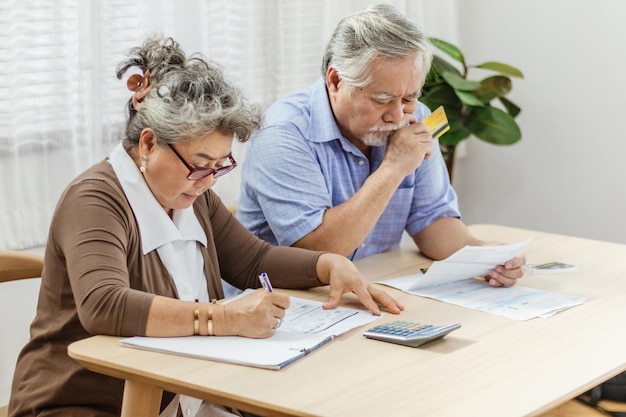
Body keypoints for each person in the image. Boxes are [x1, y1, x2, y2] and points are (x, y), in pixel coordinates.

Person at [8, 36, 403, 417]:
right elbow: (104, 304)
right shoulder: (95, 199)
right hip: (83, 404)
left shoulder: (193, 195)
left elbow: (253, 261)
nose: (210, 180)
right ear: (148, 144)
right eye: (199, 164)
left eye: (221, 165)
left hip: (182, 397)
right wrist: (223, 318)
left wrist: (326, 265)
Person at [237, 4, 526, 287]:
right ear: (336, 81)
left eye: (409, 98)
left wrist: (485, 256)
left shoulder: (415, 119)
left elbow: (432, 220)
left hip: (370, 287)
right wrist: (393, 167)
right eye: (382, 99)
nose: (397, 115)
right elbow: (316, 253)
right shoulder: (282, 132)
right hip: (283, 303)